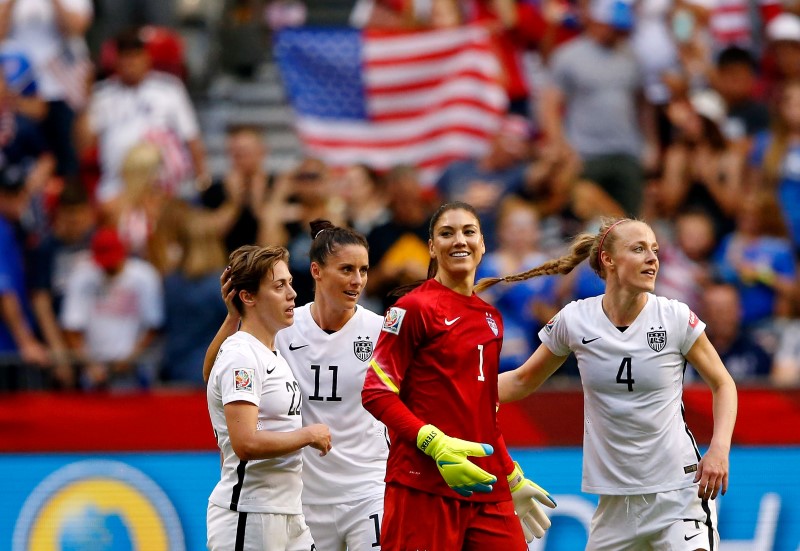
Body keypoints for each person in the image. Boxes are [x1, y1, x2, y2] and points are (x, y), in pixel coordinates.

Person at [490, 217, 738, 550]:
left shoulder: (674, 317)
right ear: (608, 259)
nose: (652, 258)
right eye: (639, 249)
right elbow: (521, 380)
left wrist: (719, 450)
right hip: (615, 506)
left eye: (654, 250)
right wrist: (460, 392)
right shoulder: (575, 319)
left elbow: (723, 383)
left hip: (679, 494)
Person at [361, 201, 556, 550]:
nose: (459, 241)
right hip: (422, 487)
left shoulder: (490, 318)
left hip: (485, 484)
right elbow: (376, 392)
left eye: (469, 232)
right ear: (432, 247)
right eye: (446, 233)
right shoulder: (413, 308)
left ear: (483, 244)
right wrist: (433, 443)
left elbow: (483, 412)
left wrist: (509, 475)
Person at [203, 220, 389, 550]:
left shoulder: (381, 331)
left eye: (363, 269)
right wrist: (233, 316)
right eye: (347, 269)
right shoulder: (282, 326)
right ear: (316, 271)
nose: (357, 280)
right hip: (302, 497)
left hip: (367, 489)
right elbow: (217, 373)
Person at [205, 244, 331, 551]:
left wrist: (231, 317)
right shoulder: (242, 355)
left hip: (287, 511)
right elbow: (246, 442)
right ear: (248, 297)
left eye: (289, 283)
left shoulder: (267, 351)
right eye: (279, 286)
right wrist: (307, 434)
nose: (292, 294)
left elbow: (210, 375)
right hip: (250, 514)